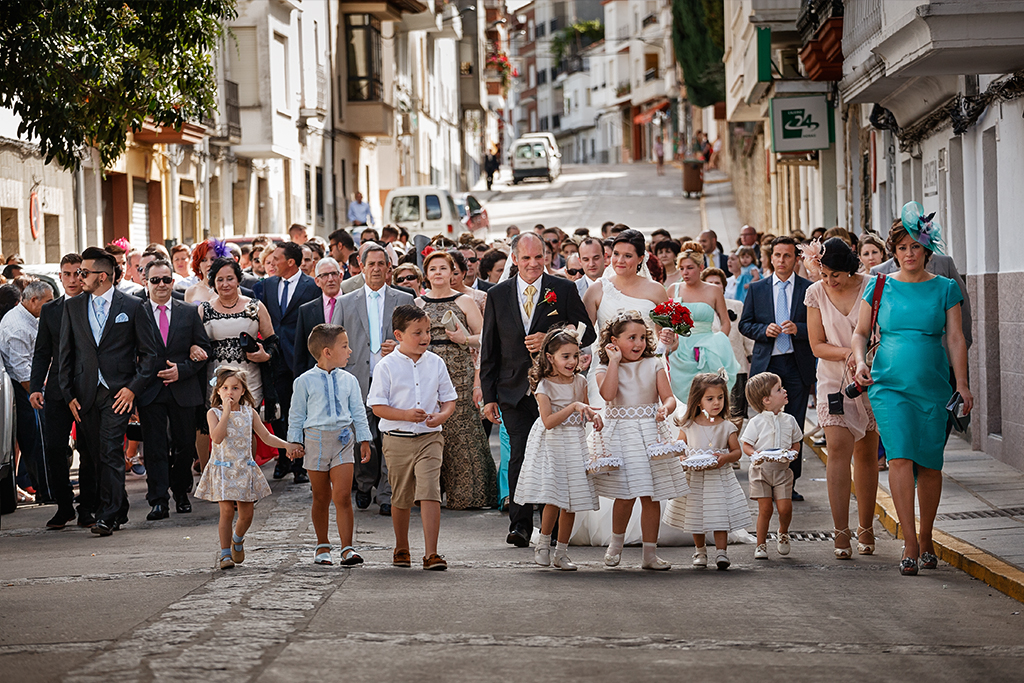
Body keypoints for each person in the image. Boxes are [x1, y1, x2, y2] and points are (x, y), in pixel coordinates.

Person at [852, 207, 972, 576]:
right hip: (888, 385)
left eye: (915, 246)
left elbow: (955, 338)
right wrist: (859, 362)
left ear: (926, 250)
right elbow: (859, 333)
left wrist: (963, 385)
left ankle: (927, 535)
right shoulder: (878, 284)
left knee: (930, 463)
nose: (909, 253)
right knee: (901, 457)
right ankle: (909, 541)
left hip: (934, 386)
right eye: (902, 247)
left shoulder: (946, 288)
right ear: (893, 251)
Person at [480, 232, 595, 547]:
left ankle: (552, 525)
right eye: (526, 258)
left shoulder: (563, 288)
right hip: (513, 389)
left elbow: (587, 333)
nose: (533, 264)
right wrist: (489, 396)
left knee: (554, 456)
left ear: (547, 256)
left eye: (538, 257)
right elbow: (489, 349)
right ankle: (519, 525)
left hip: (557, 390)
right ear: (515, 259)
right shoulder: (498, 294)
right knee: (519, 454)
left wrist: (553, 335)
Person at [59, 247, 158, 536]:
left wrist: (132, 390)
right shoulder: (73, 307)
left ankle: (107, 514)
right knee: (95, 455)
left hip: (118, 394)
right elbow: (66, 355)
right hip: (86, 393)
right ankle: (120, 507)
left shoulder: (132, 306)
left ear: (102, 277)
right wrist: (68, 395)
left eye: (84, 273)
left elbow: (149, 354)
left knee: (111, 451)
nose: (79, 277)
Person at [590, 312, 688, 570]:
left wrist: (666, 408)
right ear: (614, 341)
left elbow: (668, 397)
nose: (638, 343)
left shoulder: (653, 364)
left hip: (649, 433)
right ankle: (616, 545)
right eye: (631, 338)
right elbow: (608, 394)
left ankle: (649, 554)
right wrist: (613, 362)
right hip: (622, 435)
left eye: (643, 337)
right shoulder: (603, 368)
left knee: (651, 496)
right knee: (625, 495)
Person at [368, 305, 458, 571]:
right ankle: (401, 547)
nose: (425, 337)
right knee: (401, 495)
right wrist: (405, 415)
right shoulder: (386, 366)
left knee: (430, 490)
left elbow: (449, 400)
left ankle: (432, 553)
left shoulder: (436, 362)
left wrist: (441, 416)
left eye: (428, 331)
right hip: (397, 439)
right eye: (417, 332)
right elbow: (377, 407)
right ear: (399, 334)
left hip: (430, 437)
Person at [805, 238, 879, 559]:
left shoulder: (874, 288)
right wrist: (850, 352)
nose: (829, 280)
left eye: (836, 273)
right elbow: (817, 345)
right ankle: (840, 531)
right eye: (824, 273)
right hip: (834, 379)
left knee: (866, 452)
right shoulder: (815, 294)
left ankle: (866, 527)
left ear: (850, 268)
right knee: (837, 448)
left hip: (873, 377)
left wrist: (864, 356)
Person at [335, 245, 415, 514]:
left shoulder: (404, 299)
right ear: (361, 265)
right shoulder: (346, 301)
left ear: (389, 267)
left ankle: (387, 492)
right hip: (357, 378)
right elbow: (335, 344)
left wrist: (400, 346)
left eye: (382, 264)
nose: (377, 269)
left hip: (394, 380)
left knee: (390, 436)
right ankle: (364, 483)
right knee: (361, 435)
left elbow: (415, 340)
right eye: (372, 264)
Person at [515, 327, 602, 571]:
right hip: (552, 444)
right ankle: (543, 543)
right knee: (554, 498)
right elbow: (549, 422)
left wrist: (593, 416)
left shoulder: (580, 381)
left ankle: (561, 552)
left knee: (572, 501)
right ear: (550, 357)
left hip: (574, 442)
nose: (572, 361)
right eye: (566, 356)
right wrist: (574, 406)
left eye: (575, 356)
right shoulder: (544, 385)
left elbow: (583, 412)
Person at [416, 250, 496, 510]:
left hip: (459, 371)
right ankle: (429, 493)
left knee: (462, 431)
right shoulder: (418, 304)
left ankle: (469, 494)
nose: (438, 273)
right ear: (426, 275)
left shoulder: (465, 301)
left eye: (443, 268)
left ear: (453, 272)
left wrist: (464, 342)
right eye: (433, 269)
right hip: (426, 373)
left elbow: (485, 339)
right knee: (428, 428)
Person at [287, 324, 372, 566]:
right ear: (327, 351)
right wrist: (294, 441)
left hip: (343, 441)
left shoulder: (350, 380)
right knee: (321, 497)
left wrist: (365, 439)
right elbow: (296, 414)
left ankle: (347, 548)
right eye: (344, 346)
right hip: (315, 442)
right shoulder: (304, 382)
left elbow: (358, 411)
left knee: (343, 495)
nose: (350, 351)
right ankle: (322, 545)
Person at [196, 366, 297, 569]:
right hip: (223, 469)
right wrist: (225, 412)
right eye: (225, 388)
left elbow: (266, 436)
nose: (230, 392)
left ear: (243, 391)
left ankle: (238, 538)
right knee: (226, 512)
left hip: (244, 469)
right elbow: (216, 437)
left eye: (235, 388)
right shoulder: (213, 413)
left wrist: (286, 444)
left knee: (247, 515)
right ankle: (225, 554)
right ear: (218, 391)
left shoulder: (249, 412)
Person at [740, 235, 814, 501]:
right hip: (767, 364)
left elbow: (820, 326)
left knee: (792, 423)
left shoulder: (809, 288)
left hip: (796, 363)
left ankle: (789, 482)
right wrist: (763, 330)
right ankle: (764, 478)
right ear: (771, 258)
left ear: (796, 260)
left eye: (788, 256)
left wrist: (800, 329)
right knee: (765, 424)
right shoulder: (757, 289)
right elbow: (744, 324)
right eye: (777, 255)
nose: (782, 261)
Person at [136, 259, 211, 521]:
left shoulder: (188, 312)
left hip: (184, 388)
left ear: (173, 281)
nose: (161, 285)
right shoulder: (138, 311)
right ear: (146, 281)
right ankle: (157, 500)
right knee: (155, 448)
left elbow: (204, 351)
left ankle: (181, 492)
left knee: (183, 445)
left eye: (166, 279)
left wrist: (183, 369)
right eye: (155, 280)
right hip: (150, 390)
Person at [663, 372, 748, 570]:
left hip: (718, 478)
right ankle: (700, 550)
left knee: (719, 514)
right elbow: (680, 446)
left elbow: (737, 452)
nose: (716, 403)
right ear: (698, 401)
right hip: (694, 478)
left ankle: (721, 552)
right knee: (695, 515)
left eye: (720, 397)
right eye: (710, 399)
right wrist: (682, 457)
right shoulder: (689, 425)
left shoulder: (727, 427)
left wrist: (725, 458)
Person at [199, 258, 277, 469]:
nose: (225, 284)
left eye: (230, 279)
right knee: (219, 427)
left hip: (249, 378)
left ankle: (246, 476)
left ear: (238, 280)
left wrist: (265, 355)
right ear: (213, 282)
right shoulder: (204, 310)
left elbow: (272, 341)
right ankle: (218, 478)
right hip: (216, 381)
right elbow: (195, 343)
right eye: (219, 279)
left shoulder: (255, 306)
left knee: (246, 427)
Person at [253, 241, 320, 483]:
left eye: (277, 259)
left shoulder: (311, 286)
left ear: (290, 262)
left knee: (300, 412)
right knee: (278, 412)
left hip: (302, 357)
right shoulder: (268, 285)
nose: (272, 263)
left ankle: (301, 464)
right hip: (274, 358)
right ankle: (284, 458)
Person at [582, 229, 672, 408]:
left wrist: (669, 342)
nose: (620, 261)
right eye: (616, 254)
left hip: (645, 368)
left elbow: (667, 339)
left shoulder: (656, 291)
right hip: (606, 367)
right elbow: (582, 334)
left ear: (640, 258)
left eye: (627, 256)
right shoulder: (596, 290)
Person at [30, 254, 86, 528]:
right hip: (55, 390)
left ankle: (88, 506)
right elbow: (41, 352)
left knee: (88, 449)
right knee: (54, 448)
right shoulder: (51, 310)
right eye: (68, 274)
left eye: (78, 273)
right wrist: (35, 386)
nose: (73, 279)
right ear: (60, 276)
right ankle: (64, 506)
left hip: (87, 388)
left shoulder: (92, 305)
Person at [666, 243, 739, 403]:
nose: (685, 272)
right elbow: (666, 322)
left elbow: (725, 321)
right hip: (680, 350)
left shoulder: (713, 290)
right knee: (681, 397)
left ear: (701, 267)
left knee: (710, 393)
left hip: (708, 350)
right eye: (682, 268)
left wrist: (718, 343)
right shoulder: (673, 290)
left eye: (690, 268)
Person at [0, 281, 53, 502]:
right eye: (48, 302)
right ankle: (46, 491)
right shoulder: (18, 325)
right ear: (33, 301)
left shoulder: (28, 318)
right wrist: (41, 394)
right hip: (26, 392)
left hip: (32, 389)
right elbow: (23, 374)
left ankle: (48, 487)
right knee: (37, 443)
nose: (51, 306)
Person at [740, 372, 802, 560]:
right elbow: (746, 445)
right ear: (766, 400)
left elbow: (797, 441)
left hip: (782, 470)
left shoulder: (789, 420)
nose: (785, 391)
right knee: (765, 509)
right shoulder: (756, 422)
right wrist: (754, 455)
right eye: (779, 389)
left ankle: (783, 532)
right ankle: (761, 544)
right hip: (761, 471)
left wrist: (794, 452)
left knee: (785, 508)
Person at [292, 257, 344, 377]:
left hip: (347, 374)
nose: (330, 279)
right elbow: (300, 353)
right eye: (324, 275)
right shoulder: (306, 310)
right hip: (316, 376)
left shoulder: (354, 304)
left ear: (341, 276)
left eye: (333, 274)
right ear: (317, 281)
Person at [185, 239, 229, 304]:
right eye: (204, 260)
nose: (209, 264)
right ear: (198, 265)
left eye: (213, 259)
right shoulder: (191, 291)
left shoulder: (230, 288)